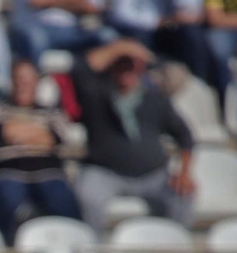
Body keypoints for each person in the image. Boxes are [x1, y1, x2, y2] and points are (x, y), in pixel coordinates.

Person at [72, 39, 196, 234]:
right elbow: (80, 69)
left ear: (139, 70)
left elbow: (185, 135)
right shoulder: (96, 94)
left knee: (182, 195)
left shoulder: (154, 98)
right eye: (121, 66)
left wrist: (184, 172)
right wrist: (120, 47)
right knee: (87, 194)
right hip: (106, 172)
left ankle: (173, 250)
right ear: (112, 68)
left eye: (130, 67)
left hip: (153, 175)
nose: (125, 72)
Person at [0, 59, 81, 243]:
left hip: (48, 173)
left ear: (37, 82)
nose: (22, 85)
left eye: (27, 79)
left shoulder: (52, 111)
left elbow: (56, 138)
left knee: (63, 203)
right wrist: (38, 133)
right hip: (7, 172)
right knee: (6, 201)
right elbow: (3, 133)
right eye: (18, 79)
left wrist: (19, 131)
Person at [104, 0, 216, 90]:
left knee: (192, 34)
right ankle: (144, 86)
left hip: (169, 28)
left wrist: (175, 17)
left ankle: (200, 85)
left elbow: (190, 11)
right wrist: (160, 21)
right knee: (138, 36)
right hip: (138, 29)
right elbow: (121, 15)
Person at [8, 0, 117, 61]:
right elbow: (37, 2)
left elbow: (92, 8)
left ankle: (103, 95)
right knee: (36, 39)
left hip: (76, 29)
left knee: (107, 36)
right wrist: (75, 4)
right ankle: (35, 88)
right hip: (39, 28)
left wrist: (56, 3)